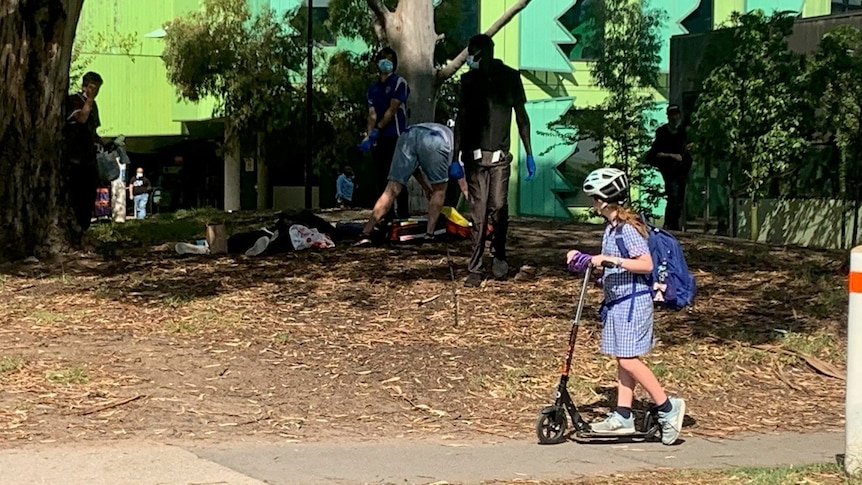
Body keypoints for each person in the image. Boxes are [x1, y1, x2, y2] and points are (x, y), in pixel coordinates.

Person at [566, 167, 685, 446]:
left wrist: (610, 260)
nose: (592, 203)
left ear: (605, 199)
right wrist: (593, 265)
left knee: (629, 359)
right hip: (618, 303)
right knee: (622, 359)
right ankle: (623, 415)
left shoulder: (627, 229)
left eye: (594, 198)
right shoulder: (612, 228)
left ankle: (668, 407)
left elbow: (646, 264)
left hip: (634, 303)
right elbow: (614, 263)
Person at [453, 34, 536, 287]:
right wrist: (454, 155)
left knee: (498, 206)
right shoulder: (467, 81)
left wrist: (529, 153)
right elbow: (462, 120)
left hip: (500, 158)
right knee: (478, 214)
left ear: (484, 53)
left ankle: (498, 252)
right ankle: (475, 268)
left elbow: (522, 117)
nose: (468, 58)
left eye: (472, 52)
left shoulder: (510, 78)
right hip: (475, 159)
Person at [354, 122, 467, 247]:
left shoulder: (441, 128)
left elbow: (414, 167)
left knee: (391, 189)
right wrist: (474, 205)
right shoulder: (456, 143)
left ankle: (366, 233)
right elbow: (462, 182)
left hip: (408, 134)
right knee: (439, 190)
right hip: (435, 139)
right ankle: (429, 236)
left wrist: (425, 187)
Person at [359, 47, 410, 221]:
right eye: (382, 59)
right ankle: (387, 216)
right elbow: (372, 113)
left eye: (388, 59)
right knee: (381, 178)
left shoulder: (399, 82)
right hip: (379, 139)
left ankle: (403, 215)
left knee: (397, 176)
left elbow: (392, 109)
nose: (384, 63)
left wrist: (378, 129)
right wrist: (369, 135)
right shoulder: (373, 88)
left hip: (395, 136)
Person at [64, 71, 104, 246]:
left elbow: (92, 130)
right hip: (75, 159)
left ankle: (84, 230)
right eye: (92, 87)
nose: (94, 93)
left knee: (88, 199)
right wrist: (88, 100)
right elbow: (81, 119)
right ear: (85, 86)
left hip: (89, 159)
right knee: (76, 198)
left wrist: (106, 142)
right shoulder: (73, 101)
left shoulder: (94, 106)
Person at [645, 104, 692, 231]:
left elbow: (686, 151)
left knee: (680, 198)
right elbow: (657, 153)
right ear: (668, 117)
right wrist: (672, 156)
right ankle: (669, 224)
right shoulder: (662, 132)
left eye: (676, 115)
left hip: (681, 170)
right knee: (673, 195)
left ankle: (674, 224)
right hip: (668, 169)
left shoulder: (683, 132)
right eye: (672, 115)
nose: (675, 118)